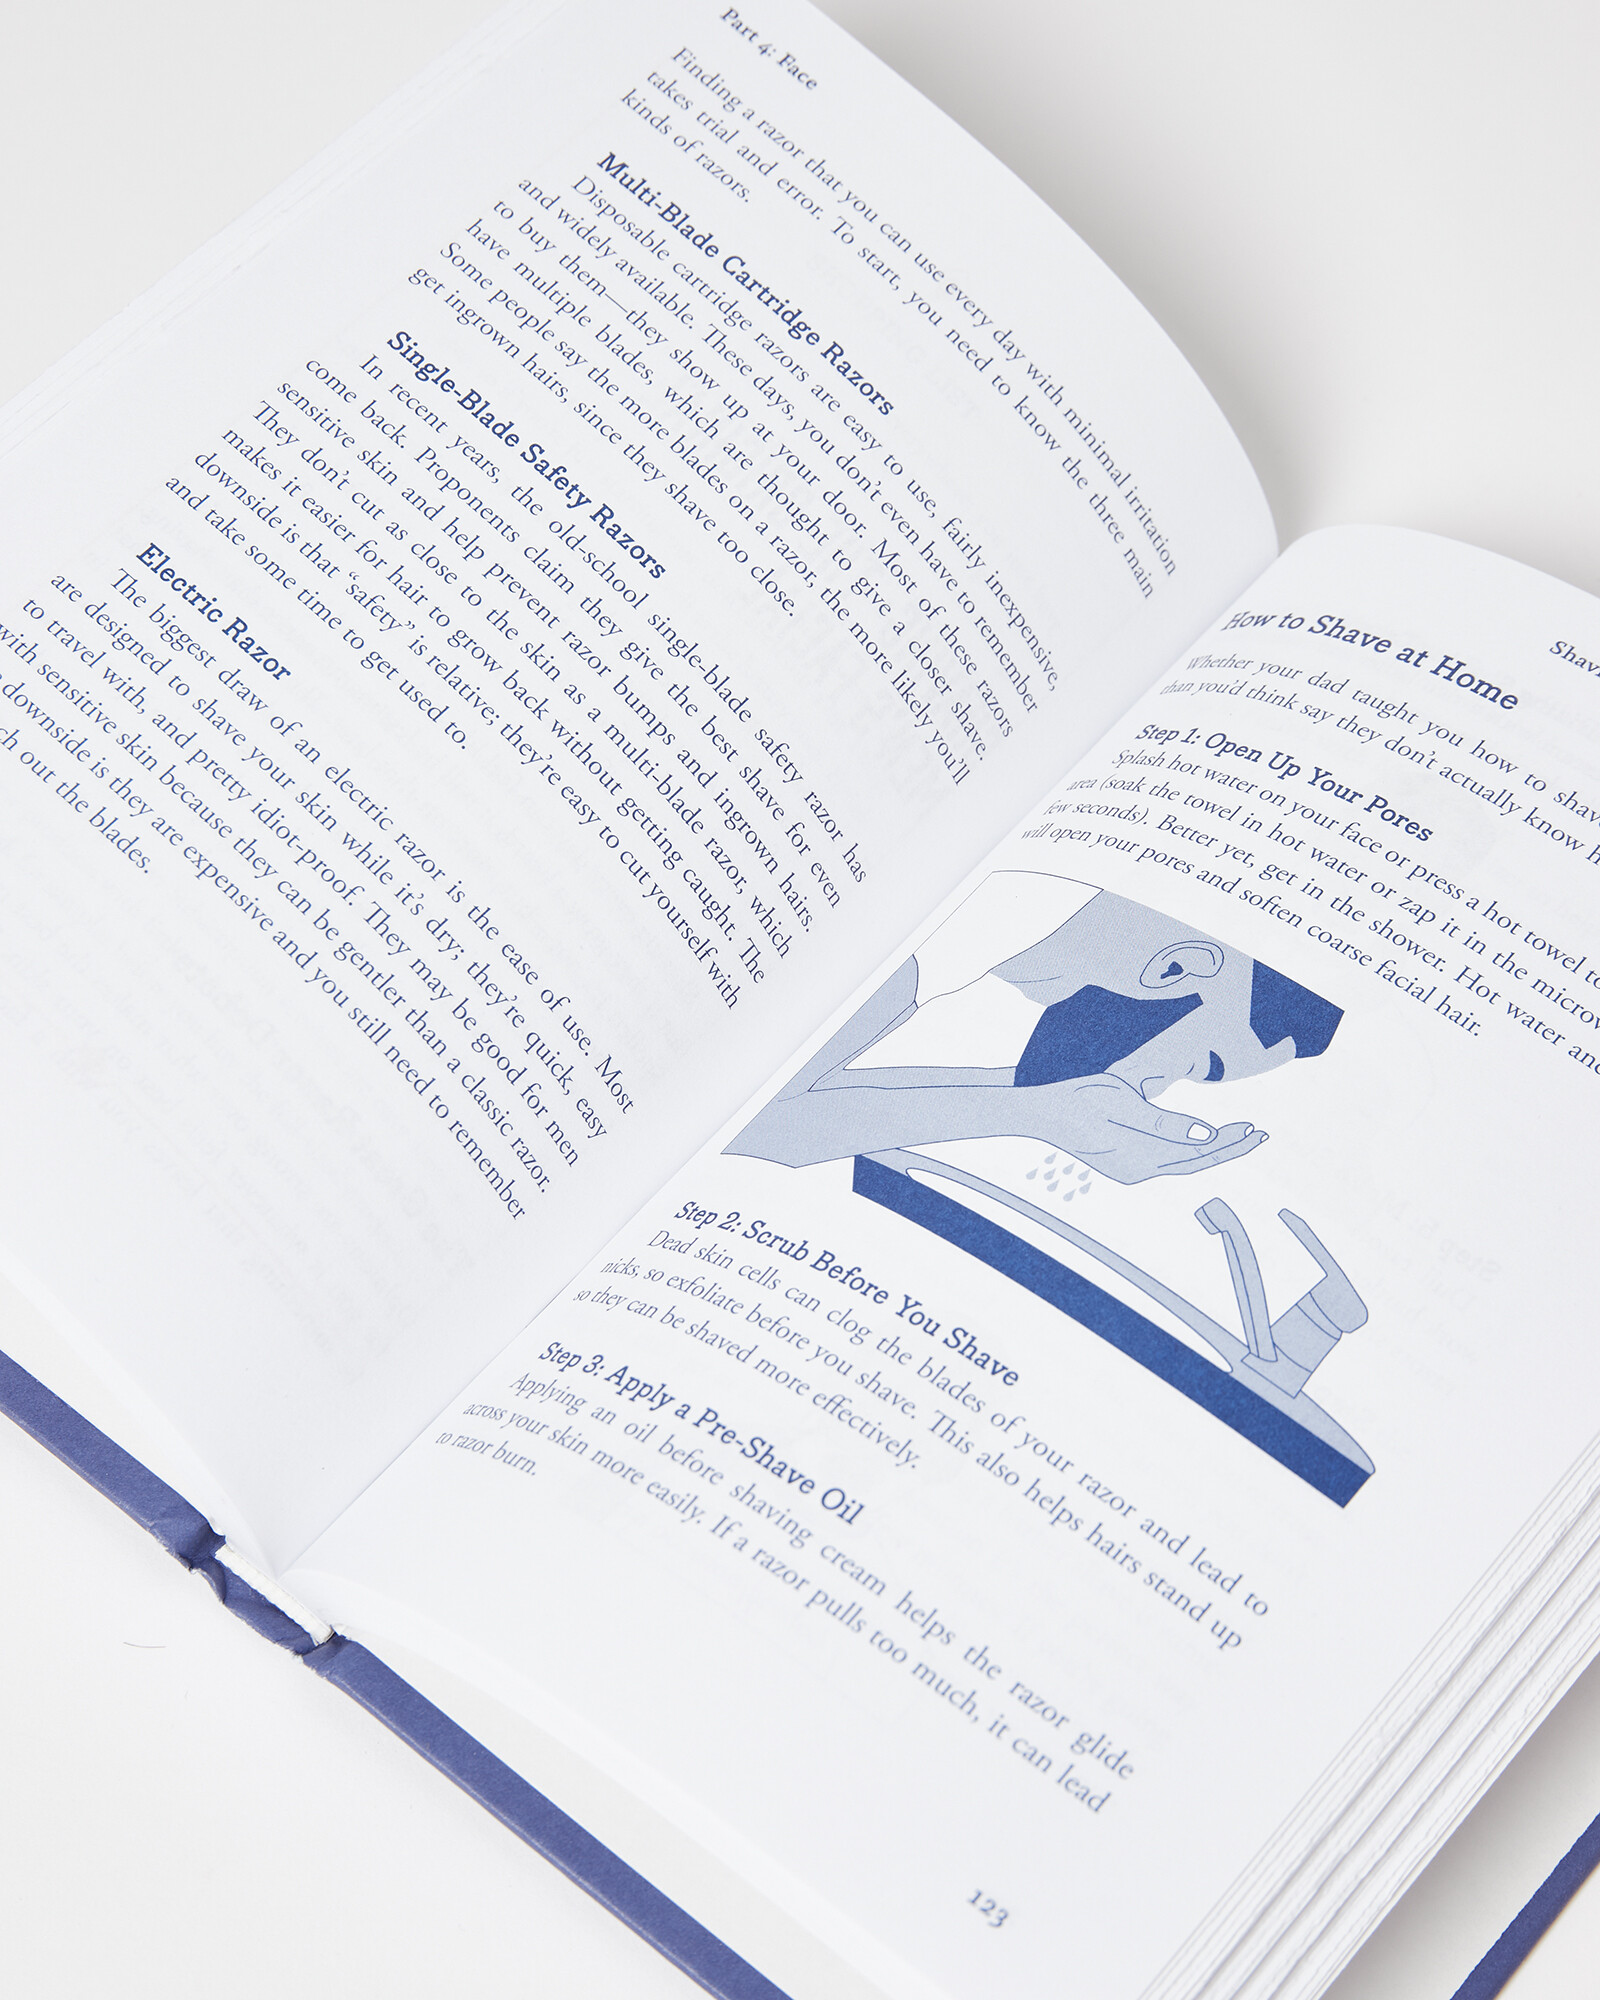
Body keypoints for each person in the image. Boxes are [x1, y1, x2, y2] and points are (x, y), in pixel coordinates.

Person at [728, 872, 1342, 1183]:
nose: (1158, 1090)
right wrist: (1031, 1114)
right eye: (1200, 1066)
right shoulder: (948, 928)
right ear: (1175, 969)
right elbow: (748, 1128)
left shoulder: (989, 913)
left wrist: (1039, 1110)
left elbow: (808, 1101)